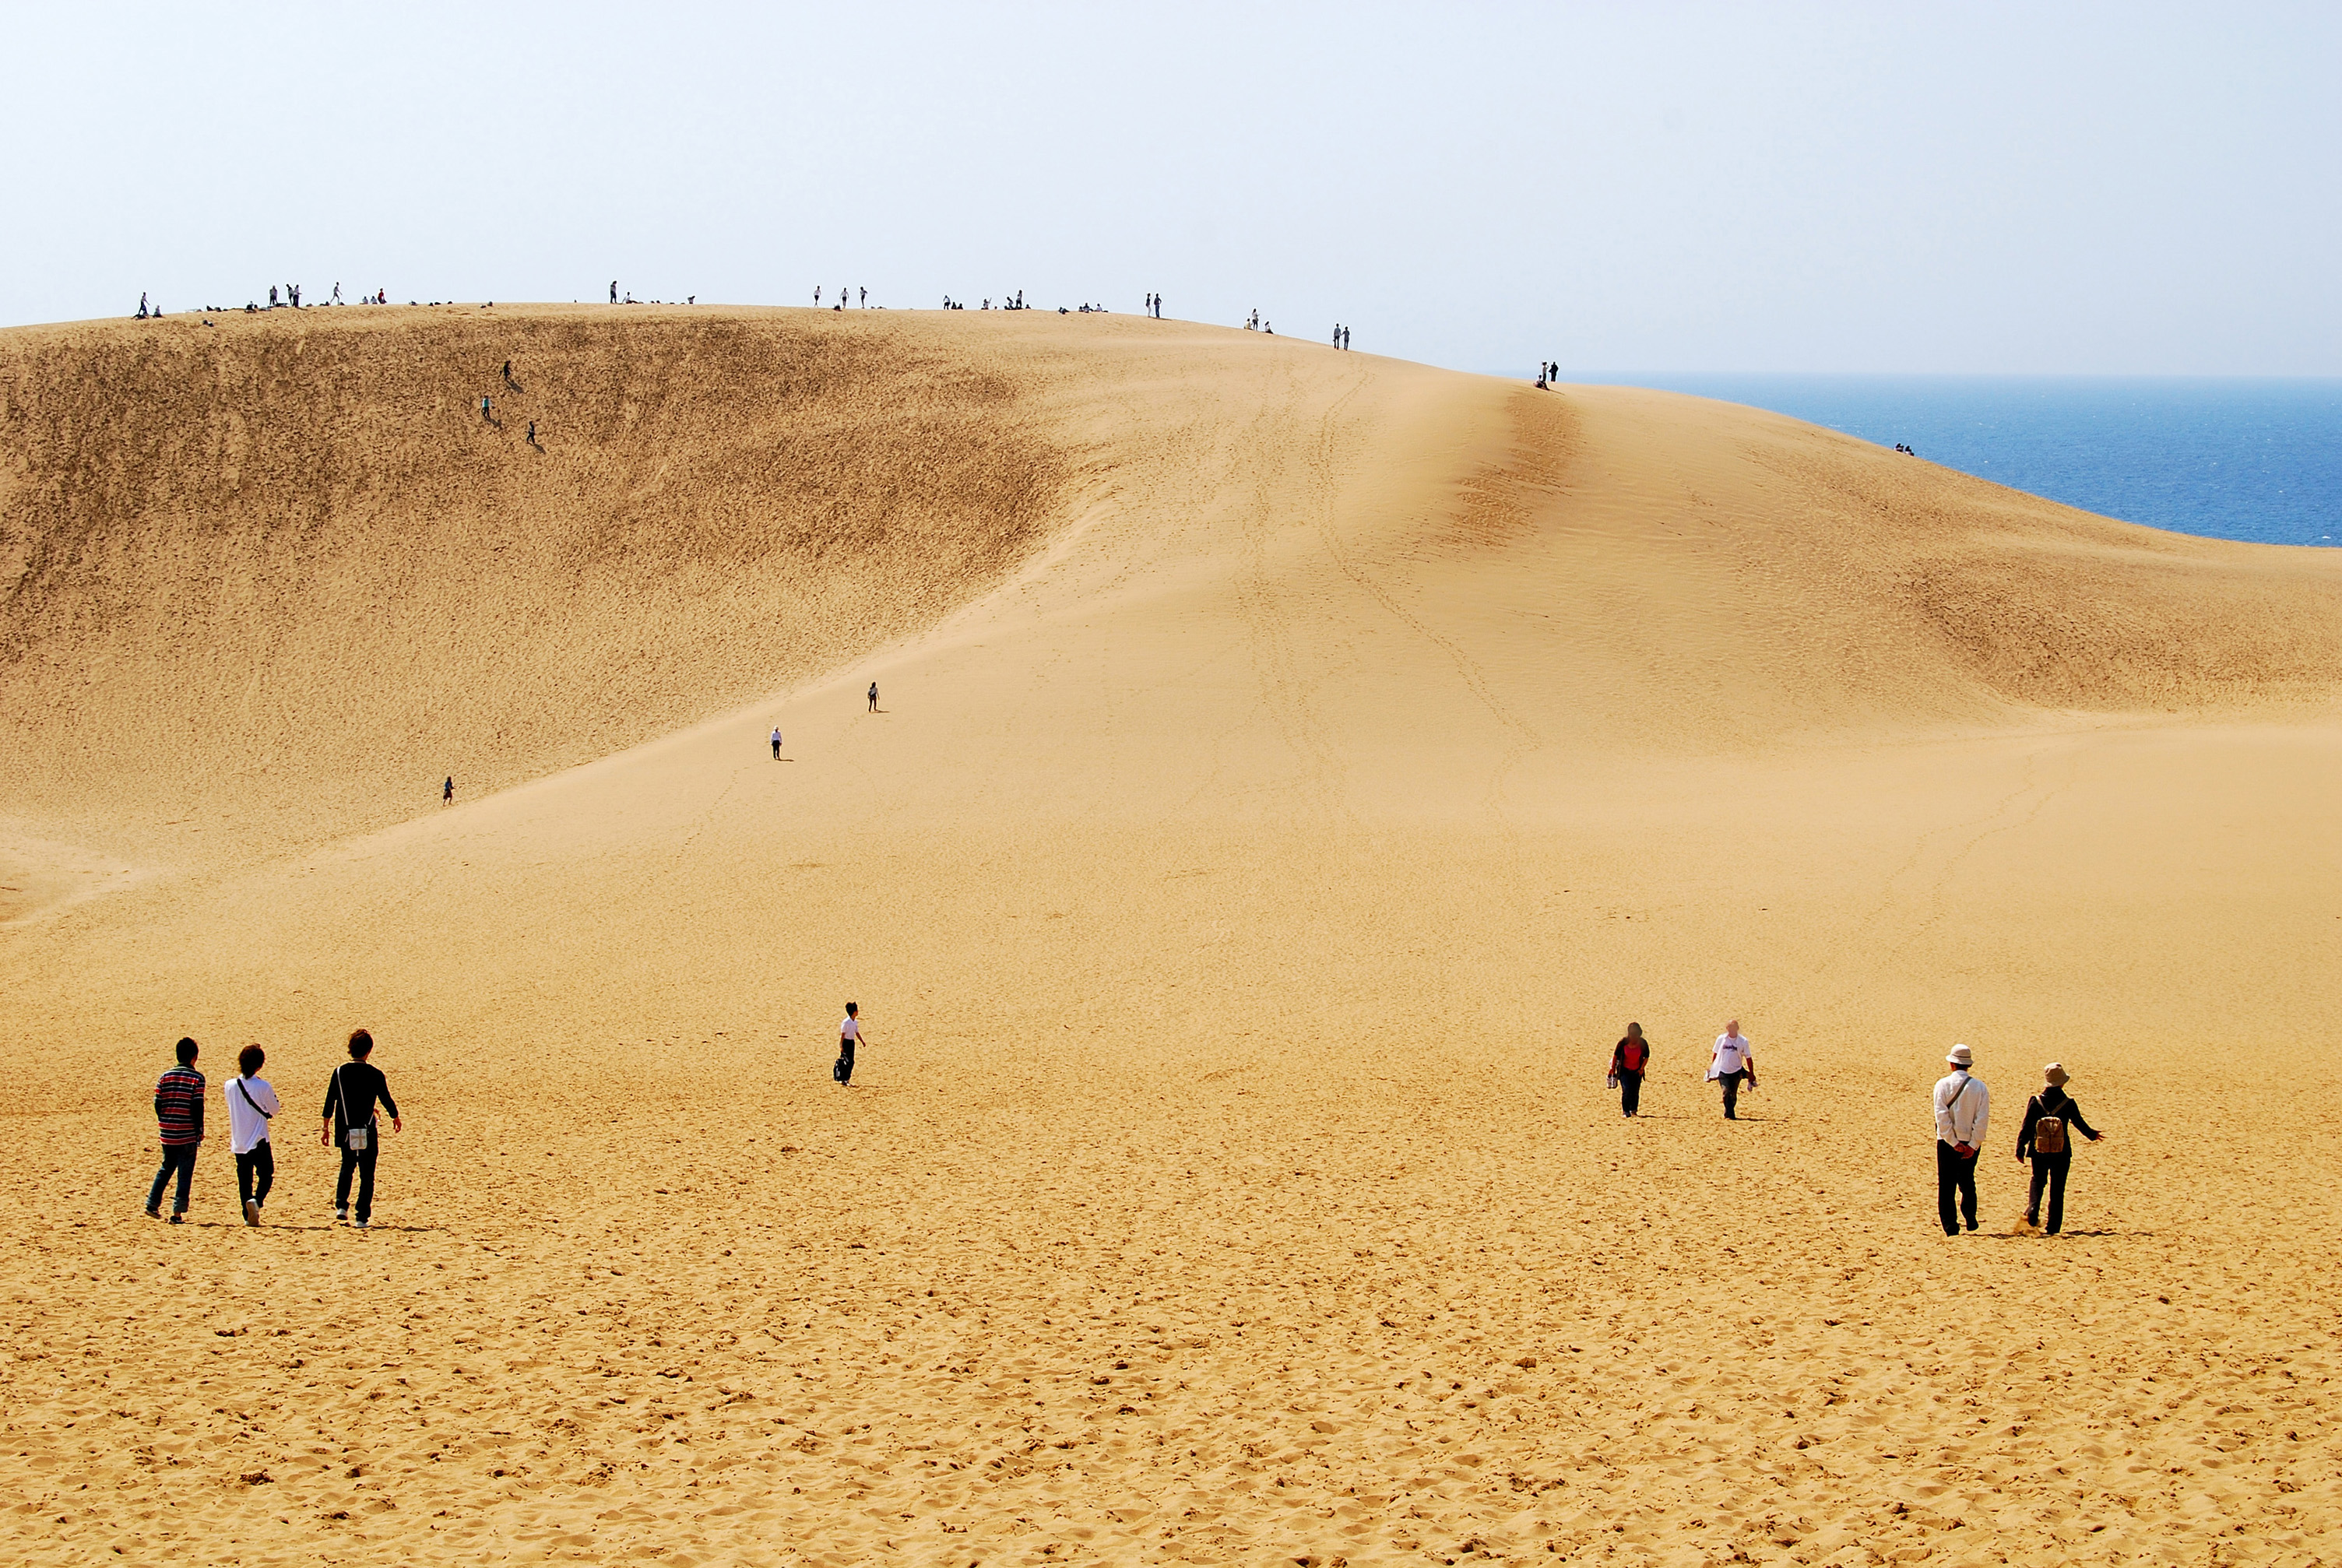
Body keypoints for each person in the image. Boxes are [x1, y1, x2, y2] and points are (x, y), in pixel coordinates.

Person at [322, 1029, 401, 1229]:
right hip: (367, 1128)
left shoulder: (339, 1072)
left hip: (345, 1127)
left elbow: (330, 1101)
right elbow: (385, 1098)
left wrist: (325, 1127)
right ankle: (362, 1217)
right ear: (368, 1051)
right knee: (367, 1173)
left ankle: (341, 1206)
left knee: (347, 1165)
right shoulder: (375, 1074)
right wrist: (395, 1116)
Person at [2016, 1062, 2102, 1234]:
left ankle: (2033, 1209)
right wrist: (2093, 1135)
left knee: (2038, 1181)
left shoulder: (2036, 1101)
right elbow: (2079, 1123)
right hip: (2061, 1151)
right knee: (2057, 1188)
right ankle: (2053, 1226)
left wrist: (2021, 1147)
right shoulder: (2068, 1103)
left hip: (2038, 1150)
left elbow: (2027, 1126)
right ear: (2062, 1083)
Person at [146, 1037, 206, 1223]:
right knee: (185, 1173)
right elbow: (197, 1106)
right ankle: (177, 1214)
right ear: (194, 1057)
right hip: (186, 1133)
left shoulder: (165, 1077)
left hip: (167, 1132)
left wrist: (165, 1121)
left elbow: (158, 1104)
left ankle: (152, 1204)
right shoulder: (197, 1078)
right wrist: (199, 1129)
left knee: (166, 1167)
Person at [1932, 1044, 1989, 1236]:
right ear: (1968, 1065)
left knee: (1946, 1185)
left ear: (1952, 1064)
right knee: (1967, 1180)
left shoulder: (1942, 1085)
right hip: (1970, 1140)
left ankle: (1950, 1226)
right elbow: (1982, 1119)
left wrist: (1952, 1141)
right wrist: (1974, 1144)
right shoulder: (1980, 1087)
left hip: (1946, 1142)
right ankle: (1970, 1216)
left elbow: (1941, 1116)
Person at [225, 1044, 280, 1226]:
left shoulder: (230, 1085)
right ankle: (257, 1201)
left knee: (244, 1180)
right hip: (259, 1138)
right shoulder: (262, 1086)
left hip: (239, 1139)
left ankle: (247, 1216)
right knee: (266, 1174)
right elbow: (275, 1109)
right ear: (259, 1065)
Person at [1707, 1021, 1756, 1119]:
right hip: (1722, 1070)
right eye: (1729, 1027)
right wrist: (1713, 1068)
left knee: (1733, 1094)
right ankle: (1730, 1115)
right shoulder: (1721, 1039)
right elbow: (1715, 1054)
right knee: (1726, 1092)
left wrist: (1751, 1073)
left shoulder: (1743, 1041)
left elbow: (1748, 1058)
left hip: (1736, 1071)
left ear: (1737, 1028)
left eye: (1733, 1028)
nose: (1731, 1030)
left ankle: (1728, 1111)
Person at [1609, 1023, 1651, 1116]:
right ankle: (1626, 1111)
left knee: (1635, 1091)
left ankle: (1633, 1110)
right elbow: (1615, 1055)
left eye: (1637, 1036)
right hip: (1624, 1071)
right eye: (1633, 1036)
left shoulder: (1643, 1043)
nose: (1635, 1038)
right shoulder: (1623, 1043)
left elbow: (1647, 1056)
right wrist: (1612, 1068)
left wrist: (1642, 1068)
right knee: (1626, 1090)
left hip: (1637, 1071)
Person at [834, 1003, 863, 1085]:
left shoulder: (855, 1022)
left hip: (851, 1043)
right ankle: (843, 1079)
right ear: (854, 1012)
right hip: (846, 1042)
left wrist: (862, 1041)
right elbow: (842, 1035)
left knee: (851, 1062)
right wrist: (841, 1046)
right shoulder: (846, 1022)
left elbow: (857, 1033)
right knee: (847, 1062)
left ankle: (847, 1079)